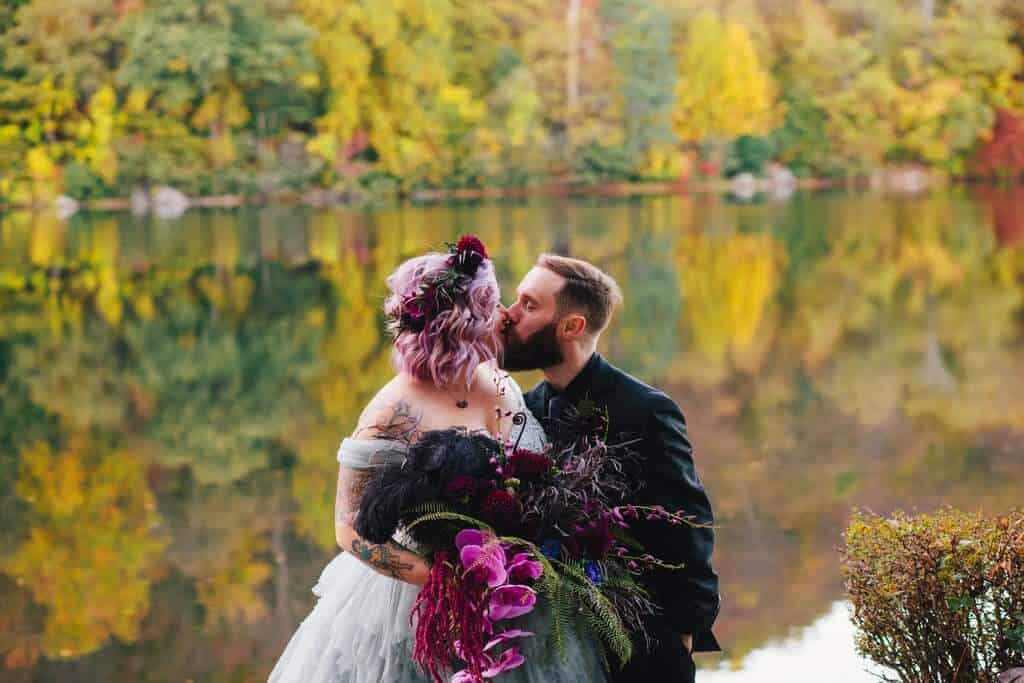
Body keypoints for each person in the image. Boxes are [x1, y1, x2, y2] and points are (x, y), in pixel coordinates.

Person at [269, 237, 607, 683]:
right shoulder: (392, 410)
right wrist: (446, 581)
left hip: (521, 591)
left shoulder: (498, 380)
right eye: (492, 304)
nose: (504, 314)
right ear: (465, 323)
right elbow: (349, 528)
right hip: (424, 602)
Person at [501, 253, 721, 683]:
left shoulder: (646, 410)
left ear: (572, 326)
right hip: (554, 642)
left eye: (529, 305)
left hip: (642, 641)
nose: (510, 315)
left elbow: (688, 528)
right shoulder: (522, 410)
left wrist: (682, 636)